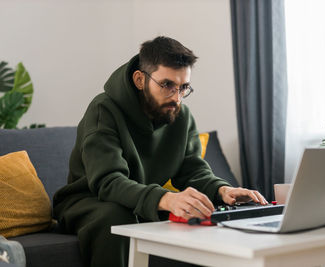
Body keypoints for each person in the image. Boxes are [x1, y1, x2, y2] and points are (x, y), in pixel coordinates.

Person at [53, 36, 267, 267]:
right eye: (167, 85)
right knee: (117, 217)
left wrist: (223, 190)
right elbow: (108, 181)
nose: (176, 98)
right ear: (139, 79)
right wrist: (165, 198)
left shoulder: (181, 116)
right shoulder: (103, 110)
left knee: (205, 211)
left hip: (135, 202)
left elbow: (193, 171)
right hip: (86, 201)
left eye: (183, 88)